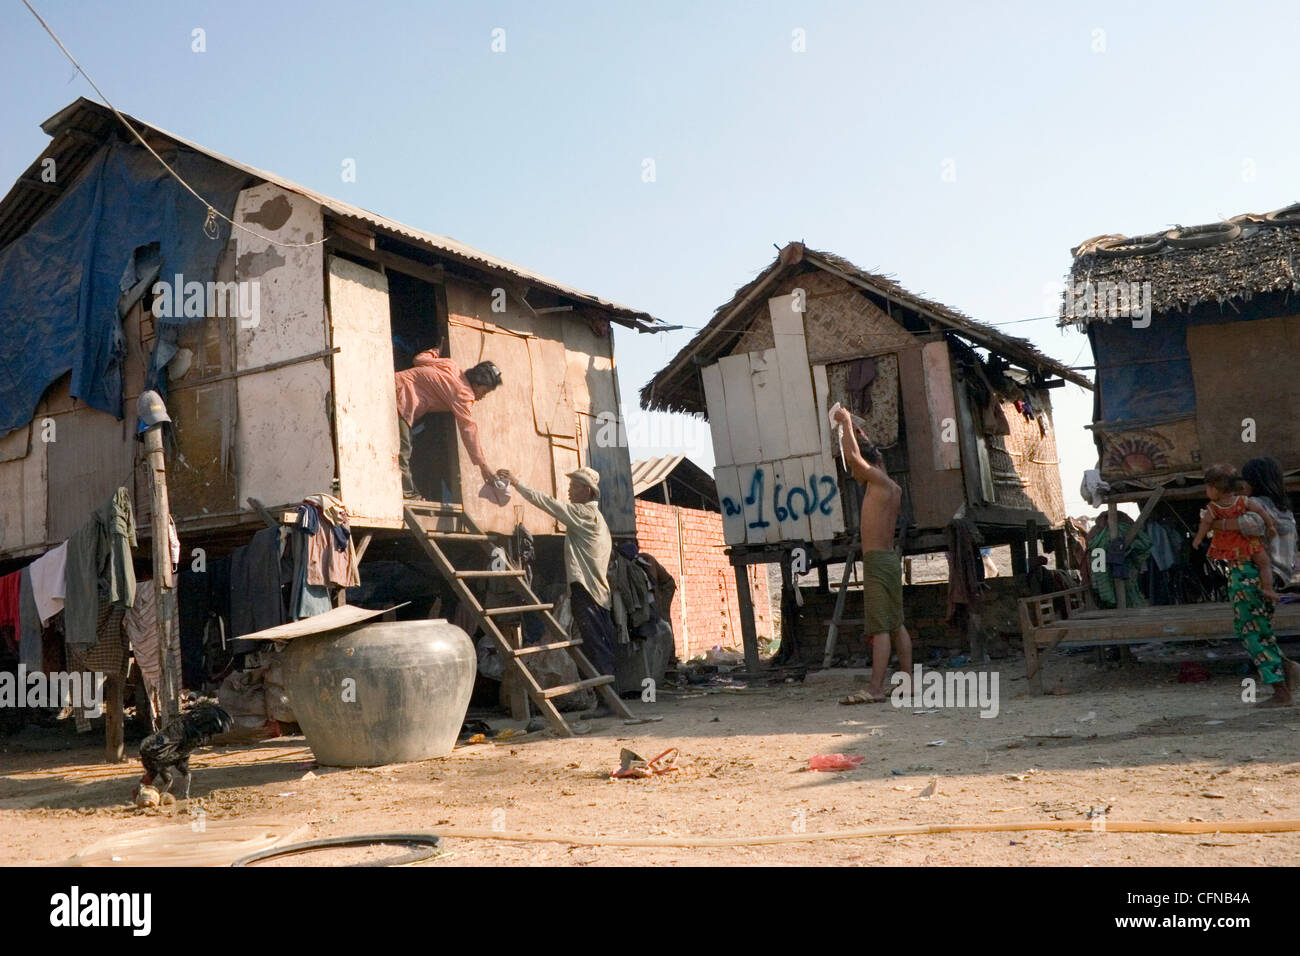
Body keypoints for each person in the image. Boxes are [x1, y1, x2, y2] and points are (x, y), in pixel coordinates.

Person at [499, 466, 617, 679]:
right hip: (597, 593)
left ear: (587, 491)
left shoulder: (583, 514)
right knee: (599, 643)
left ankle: (607, 699)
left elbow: (547, 503)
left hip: (587, 591)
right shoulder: (597, 517)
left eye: (574, 486)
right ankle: (607, 697)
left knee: (595, 646)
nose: (569, 490)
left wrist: (516, 483)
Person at [832, 405, 912, 703]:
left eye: (855, 470)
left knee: (880, 628)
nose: (853, 473)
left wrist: (846, 424)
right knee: (896, 624)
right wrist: (857, 433)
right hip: (890, 560)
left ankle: (875, 689)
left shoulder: (877, 482)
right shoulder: (892, 486)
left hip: (878, 561)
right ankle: (908, 683)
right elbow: (863, 458)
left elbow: (854, 457)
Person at [1195, 462, 1291, 706]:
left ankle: (1281, 689)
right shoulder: (1280, 506)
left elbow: (1250, 527)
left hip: (1249, 573)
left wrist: (1213, 521)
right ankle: (1284, 676)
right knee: (1261, 630)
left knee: (1252, 631)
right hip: (1270, 574)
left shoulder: (1254, 505)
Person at [394, 349, 502, 500]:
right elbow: (468, 428)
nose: (482, 397)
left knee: (402, 448)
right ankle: (409, 495)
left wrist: (436, 350)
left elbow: (418, 359)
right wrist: (483, 466)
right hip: (402, 400)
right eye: (484, 392)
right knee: (403, 450)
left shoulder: (450, 365)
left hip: (393, 383)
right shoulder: (464, 394)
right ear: (477, 384)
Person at [1192, 464, 1278, 602]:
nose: (1207, 491)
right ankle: (1268, 589)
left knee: (1237, 569)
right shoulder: (1243, 501)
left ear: (1215, 489)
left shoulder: (1213, 508)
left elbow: (1205, 524)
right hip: (1250, 542)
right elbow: (1262, 512)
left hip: (1232, 547)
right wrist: (1270, 526)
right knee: (1264, 563)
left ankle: (1249, 592)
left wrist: (1198, 538)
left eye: (1208, 487)